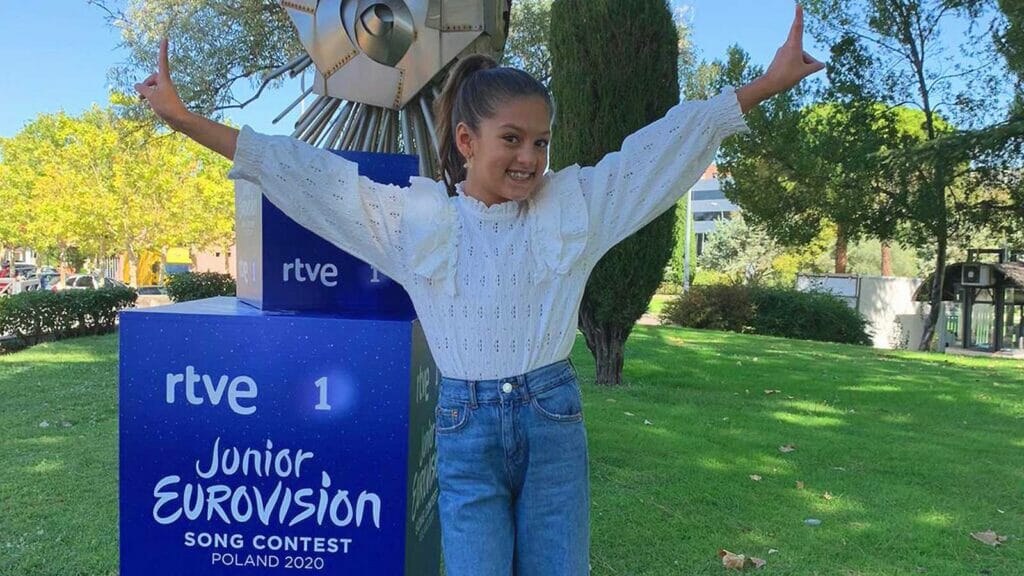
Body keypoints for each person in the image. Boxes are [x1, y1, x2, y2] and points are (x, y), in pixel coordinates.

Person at [136, 5, 823, 575]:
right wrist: (188, 120)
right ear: (466, 139)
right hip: (464, 434)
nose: (530, 158)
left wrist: (761, 87)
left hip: (553, 422)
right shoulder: (417, 221)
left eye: (542, 143)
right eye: (513, 139)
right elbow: (308, 177)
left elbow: (657, 153)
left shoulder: (574, 208)